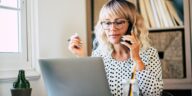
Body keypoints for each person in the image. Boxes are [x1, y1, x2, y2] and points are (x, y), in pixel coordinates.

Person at [68, 0, 163, 96]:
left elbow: (154, 93)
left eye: (119, 22)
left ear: (131, 25)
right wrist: (81, 56)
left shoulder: (150, 53)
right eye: (107, 23)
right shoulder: (98, 55)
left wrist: (137, 59)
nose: (112, 28)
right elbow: (90, 90)